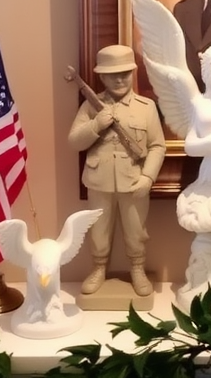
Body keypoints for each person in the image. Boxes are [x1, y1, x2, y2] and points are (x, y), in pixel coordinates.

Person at [68, 44, 166, 296]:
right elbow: (74, 142)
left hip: (134, 181)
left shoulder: (146, 107)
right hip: (98, 180)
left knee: (136, 230)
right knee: (99, 229)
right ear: (101, 76)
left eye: (125, 72)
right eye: (113, 74)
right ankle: (99, 268)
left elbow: (157, 146)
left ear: (133, 73)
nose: (120, 79)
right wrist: (96, 125)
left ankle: (137, 268)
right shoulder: (92, 105)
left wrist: (148, 177)